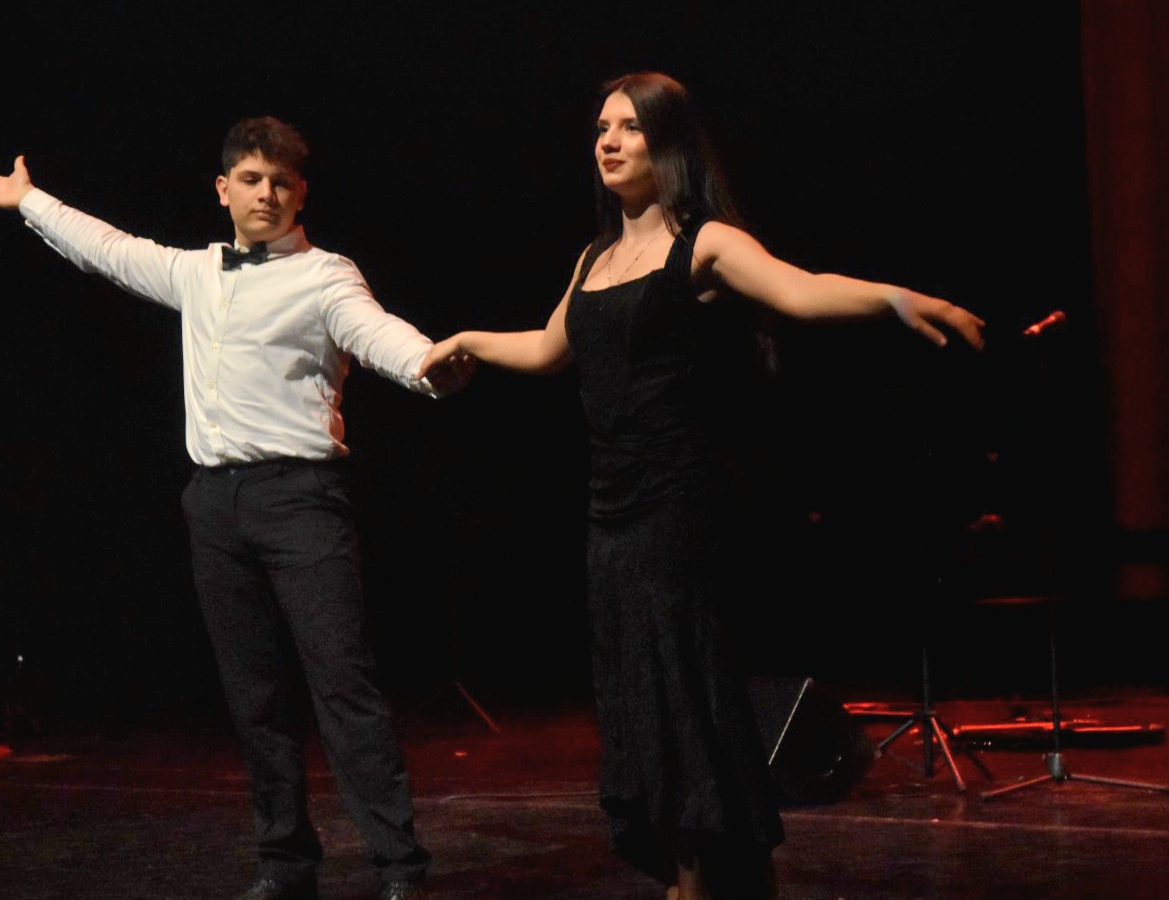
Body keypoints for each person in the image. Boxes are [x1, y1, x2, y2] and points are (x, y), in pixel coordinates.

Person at [417, 73, 985, 900]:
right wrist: (467, 338)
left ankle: (700, 878)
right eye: (601, 128)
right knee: (640, 696)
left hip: (677, 507)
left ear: (670, 144)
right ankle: (705, 870)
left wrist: (895, 300)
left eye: (630, 127)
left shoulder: (705, 244)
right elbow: (547, 348)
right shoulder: (594, 257)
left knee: (679, 690)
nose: (609, 142)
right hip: (609, 513)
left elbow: (801, 290)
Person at [0, 117, 463, 900]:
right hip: (216, 505)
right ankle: (284, 862)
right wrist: (32, 201)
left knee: (342, 684)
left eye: (281, 182)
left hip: (301, 500)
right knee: (254, 696)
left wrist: (427, 365)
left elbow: (378, 334)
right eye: (252, 180)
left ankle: (399, 864)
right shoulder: (196, 273)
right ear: (224, 189)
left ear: (301, 194)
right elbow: (111, 250)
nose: (267, 194)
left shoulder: (325, 275)